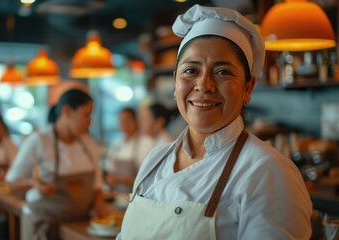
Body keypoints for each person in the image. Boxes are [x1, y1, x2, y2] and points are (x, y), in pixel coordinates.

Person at [118, 4, 312, 240]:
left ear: (247, 88)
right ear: (175, 83)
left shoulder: (267, 170)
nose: (204, 85)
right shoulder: (155, 161)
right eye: (190, 70)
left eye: (222, 72)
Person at [5, 89, 111, 240]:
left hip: (77, 224)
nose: (90, 121)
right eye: (86, 114)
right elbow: (11, 184)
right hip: (42, 225)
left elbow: (97, 185)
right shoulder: (40, 141)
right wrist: (33, 183)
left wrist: (99, 204)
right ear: (67, 111)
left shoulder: (89, 144)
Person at [104, 107, 152, 193]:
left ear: (135, 121)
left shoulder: (146, 142)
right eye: (121, 121)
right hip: (117, 194)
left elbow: (148, 177)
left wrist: (121, 180)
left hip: (138, 194)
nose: (124, 124)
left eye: (127, 120)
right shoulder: (116, 145)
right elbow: (110, 171)